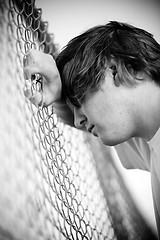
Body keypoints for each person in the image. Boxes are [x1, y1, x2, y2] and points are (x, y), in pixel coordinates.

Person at [23, 21, 160, 237]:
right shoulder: (150, 138)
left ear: (115, 70)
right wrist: (60, 94)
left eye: (78, 101)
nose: (78, 122)